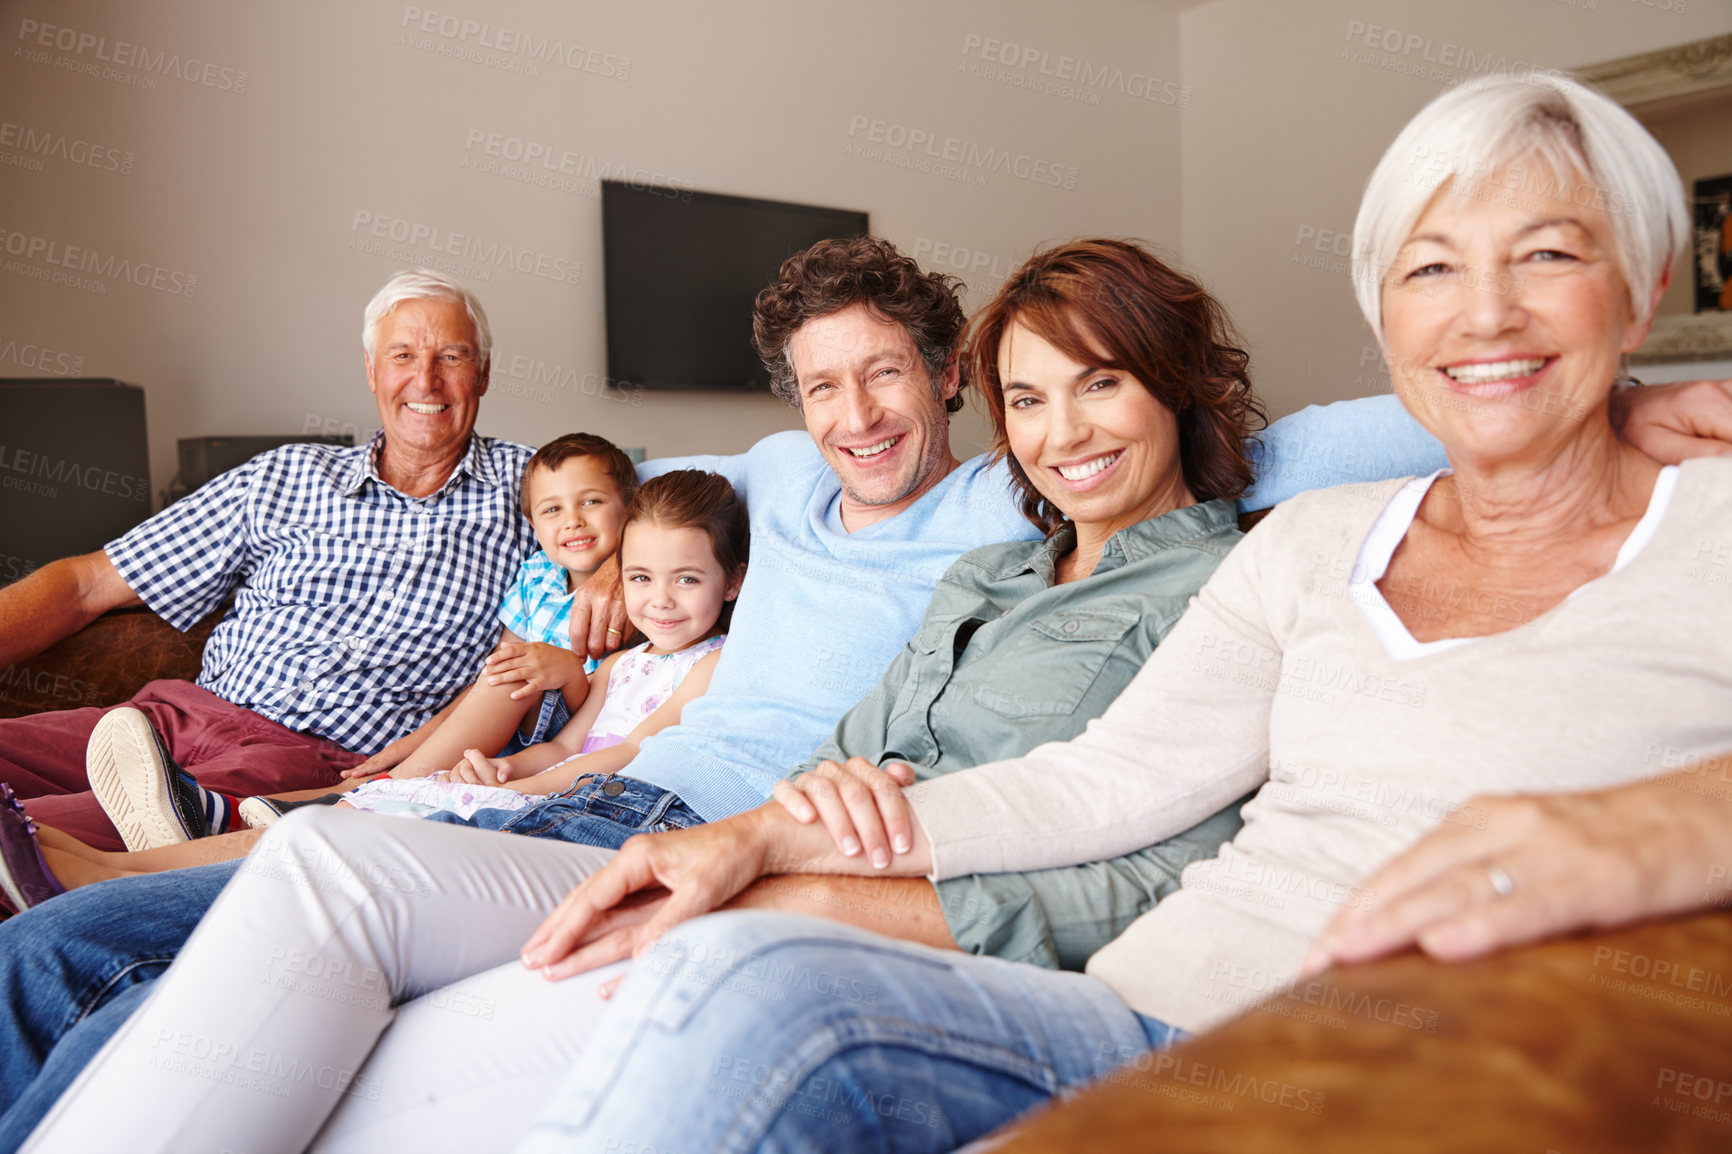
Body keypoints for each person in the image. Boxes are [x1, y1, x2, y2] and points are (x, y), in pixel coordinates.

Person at [2, 219, 1726, 1151]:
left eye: (890, 373)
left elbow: (1307, 442)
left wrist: (1599, 395)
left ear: (936, 380)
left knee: (348, 918)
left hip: (801, 875)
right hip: (687, 807)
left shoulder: (1205, 546)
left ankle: (165, 848)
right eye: (823, 384)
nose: (858, 413)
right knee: (201, 936)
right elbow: (619, 544)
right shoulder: (883, 517)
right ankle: (126, 864)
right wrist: (592, 684)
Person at [373, 70, 1727, 1154]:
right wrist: (758, 835)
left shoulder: (1702, 520)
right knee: (678, 966)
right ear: (1382, 309)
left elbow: (1310, 432)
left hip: (1356, 1065)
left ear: (1648, 282)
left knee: (728, 976)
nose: (1483, 311)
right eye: (1432, 270)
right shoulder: (1309, 545)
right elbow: (1107, 779)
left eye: (1546, 254)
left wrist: (1648, 820)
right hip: (1118, 1012)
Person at [0, 268, 535, 851]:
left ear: (482, 372)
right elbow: (85, 585)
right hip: (172, 716)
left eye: (452, 357)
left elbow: (638, 523)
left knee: (35, 840)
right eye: (402, 354)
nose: (425, 380)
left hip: (308, 764)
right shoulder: (286, 475)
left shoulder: (535, 488)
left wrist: (610, 572)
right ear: (371, 370)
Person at [79, 431, 633, 851]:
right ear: (532, 523)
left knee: (509, 677)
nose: (573, 520)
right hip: (497, 723)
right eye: (552, 509)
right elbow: (486, 680)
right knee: (503, 674)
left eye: (592, 502)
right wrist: (411, 742)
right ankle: (242, 810)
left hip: (570, 728)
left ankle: (372, 796)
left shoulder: (642, 591)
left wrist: (624, 562)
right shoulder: (537, 579)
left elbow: (690, 505)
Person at [343, 468, 746, 821]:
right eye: (641, 578)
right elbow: (562, 747)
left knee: (442, 815)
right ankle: (354, 808)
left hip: (607, 801)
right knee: (428, 797)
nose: (661, 600)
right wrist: (502, 770)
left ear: (732, 582)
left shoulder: (711, 664)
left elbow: (634, 753)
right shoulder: (619, 664)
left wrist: (524, 788)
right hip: (554, 786)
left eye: (687, 579)